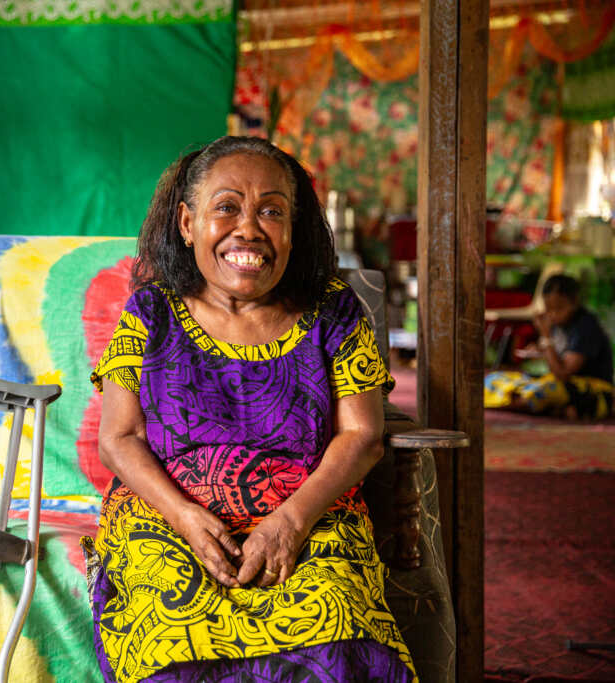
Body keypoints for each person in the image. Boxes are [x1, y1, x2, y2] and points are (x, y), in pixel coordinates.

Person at [85, 136, 416, 682]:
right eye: (226, 208)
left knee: (339, 641)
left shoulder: (333, 310)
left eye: (271, 211)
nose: (249, 229)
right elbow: (119, 439)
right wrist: (186, 517)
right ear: (188, 224)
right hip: (170, 518)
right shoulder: (151, 311)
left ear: (294, 228)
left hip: (309, 518)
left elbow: (363, 436)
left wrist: (289, 522)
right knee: (171, 642)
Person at [485, 274, 614, 420]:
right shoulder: (557, 324)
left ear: (575, 302)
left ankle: (517, 405)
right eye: (549, 309)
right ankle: (553, 408)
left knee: (544, 391)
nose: (553, 315)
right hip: (560, 383)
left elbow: (563, 373)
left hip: (590, 388)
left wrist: (545, 337)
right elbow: (555, 357)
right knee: (495, 378)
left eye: (559, 308)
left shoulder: (585, 326)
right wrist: (540, 350)